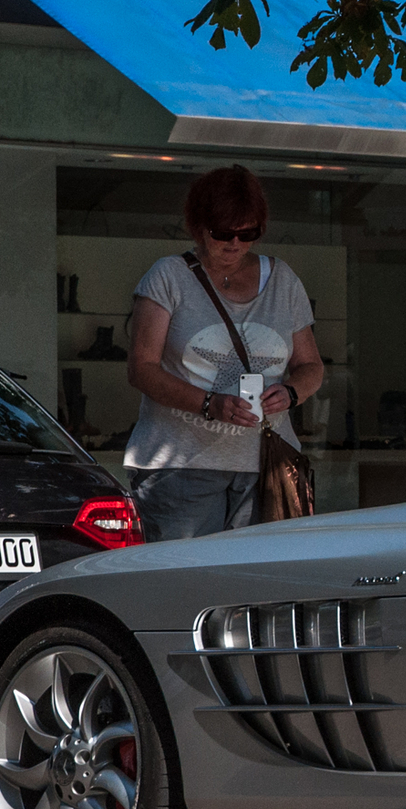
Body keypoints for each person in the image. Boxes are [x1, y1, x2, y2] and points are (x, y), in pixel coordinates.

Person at [122, 165, 325, 541]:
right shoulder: (169, 276)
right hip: (181, 466)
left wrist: (293, 392)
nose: (234, 244)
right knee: (183, 580)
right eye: (222, 233)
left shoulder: (283, 279)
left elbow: (311, 365)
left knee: (258, 581)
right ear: (198, 226)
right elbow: (142, 369)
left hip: (266, 466)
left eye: (247, 233)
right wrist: (208, 403)